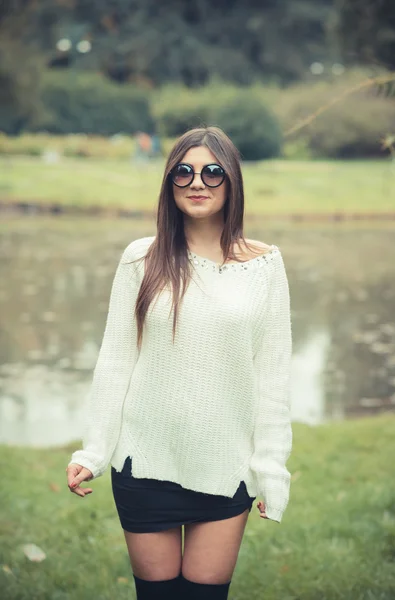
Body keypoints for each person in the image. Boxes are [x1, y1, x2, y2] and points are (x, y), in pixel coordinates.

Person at [66, 126, 293, 600]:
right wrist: (93, 452)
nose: (198, 182)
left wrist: (271, 469)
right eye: (183, 172)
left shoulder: (266, 265)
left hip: (226, 466)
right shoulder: (140, 259)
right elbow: (115, 360)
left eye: (212, 172)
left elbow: (273, 377)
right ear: (169, 183)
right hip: (146, 463)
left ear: (232, 181)